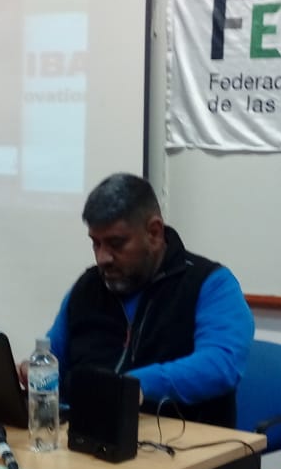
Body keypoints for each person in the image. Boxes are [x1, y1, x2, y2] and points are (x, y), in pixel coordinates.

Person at [31, 172, 254, 428]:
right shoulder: (87, 287)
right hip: (88, 435)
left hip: (183, 442)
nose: (103, 258)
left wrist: (136, 385)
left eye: (116, 244)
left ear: (154, 233)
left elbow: (222, 364)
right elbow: (54, 359)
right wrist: (34, 371)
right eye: (96, 244)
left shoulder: (210, 284)